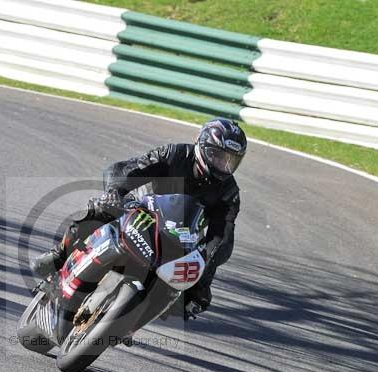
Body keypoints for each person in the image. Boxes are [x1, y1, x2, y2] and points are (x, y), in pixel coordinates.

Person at [30, 117, 246, 317]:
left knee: (199, 293)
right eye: (217, 156)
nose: (223, 165)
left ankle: (131, 318)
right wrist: (115, 193)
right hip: (141, 212)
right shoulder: (175, 154)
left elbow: (223, 236)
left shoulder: (229, 193)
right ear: (201, 146)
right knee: (98, 212)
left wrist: (206, 264)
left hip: (179, 239)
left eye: (230, 161)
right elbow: (129, 168)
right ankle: (61, 256)